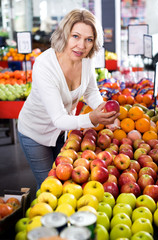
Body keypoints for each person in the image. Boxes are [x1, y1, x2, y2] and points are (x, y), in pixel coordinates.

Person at [17, 8, 119, 190]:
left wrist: (103, 109)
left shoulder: (87, 60)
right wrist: (92, 119)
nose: (82, 46)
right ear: (65, 34)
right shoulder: (44, 65)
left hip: (62, 131)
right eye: (76, 36)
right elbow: (58, 119)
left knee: (67, 183)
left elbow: (91, 92)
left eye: (89, 39)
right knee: (50, 186)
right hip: (35, 133)